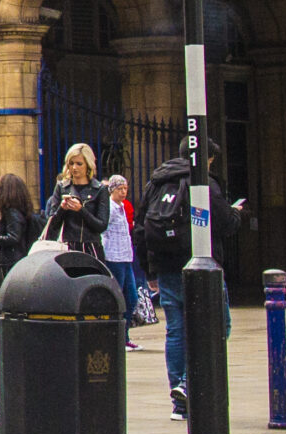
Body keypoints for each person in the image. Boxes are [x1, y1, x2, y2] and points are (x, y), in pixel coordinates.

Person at [137, 150, 233, 419]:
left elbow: (141, 228)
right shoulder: (203, 181)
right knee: (218, 325)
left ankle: (179, 403)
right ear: (209, 157)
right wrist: (237, 214)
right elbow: (226, 222)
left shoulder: (156, 182)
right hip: (202, 265)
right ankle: (188, 384)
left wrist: (149, 268)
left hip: (167, 267)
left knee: (176, 330)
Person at [44, 143, 109, 259]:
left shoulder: (100, 189)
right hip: (67, 247)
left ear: (88, 165)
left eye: (79, 164)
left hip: (91, 247)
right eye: (71, 163)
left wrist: (81, 210)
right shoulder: (61, 187)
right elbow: (52, 225)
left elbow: (102, 226)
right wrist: (62, 209)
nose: (74, 167)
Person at [102, 173, 142, 351]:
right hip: (114, 256)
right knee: (119, 298)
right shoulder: (109, 208)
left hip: (126, 256)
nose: (124, 192)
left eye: (125, 188)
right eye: (120, 189)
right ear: (112, 190)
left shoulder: (123, 207)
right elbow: (103, 232)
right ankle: (118, 337)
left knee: (131, 298)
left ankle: (124, 336)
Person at [0, 172, 40, 292]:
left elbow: (13, 237)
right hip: (19, 259)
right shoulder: (21, 211)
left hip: (12, 260)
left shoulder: (11, 212)